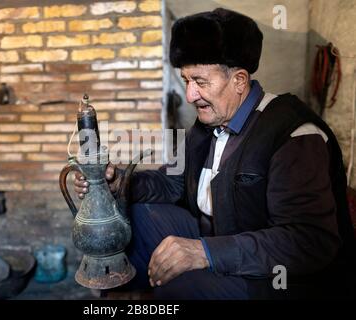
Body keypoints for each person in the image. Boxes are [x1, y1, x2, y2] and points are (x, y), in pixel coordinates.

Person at [74, 8, 356, 299]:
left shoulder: (294, 135)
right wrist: (118, 182)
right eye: (186, 80)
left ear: (239, 81)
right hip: (219, 242)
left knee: (179, 288)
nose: (190, 95)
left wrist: (204, 252)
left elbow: (310, 241)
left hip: (276, 275)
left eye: (200, 81)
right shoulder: (207, 124)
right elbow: (171, 182)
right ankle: (124, 295)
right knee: (138, 216)